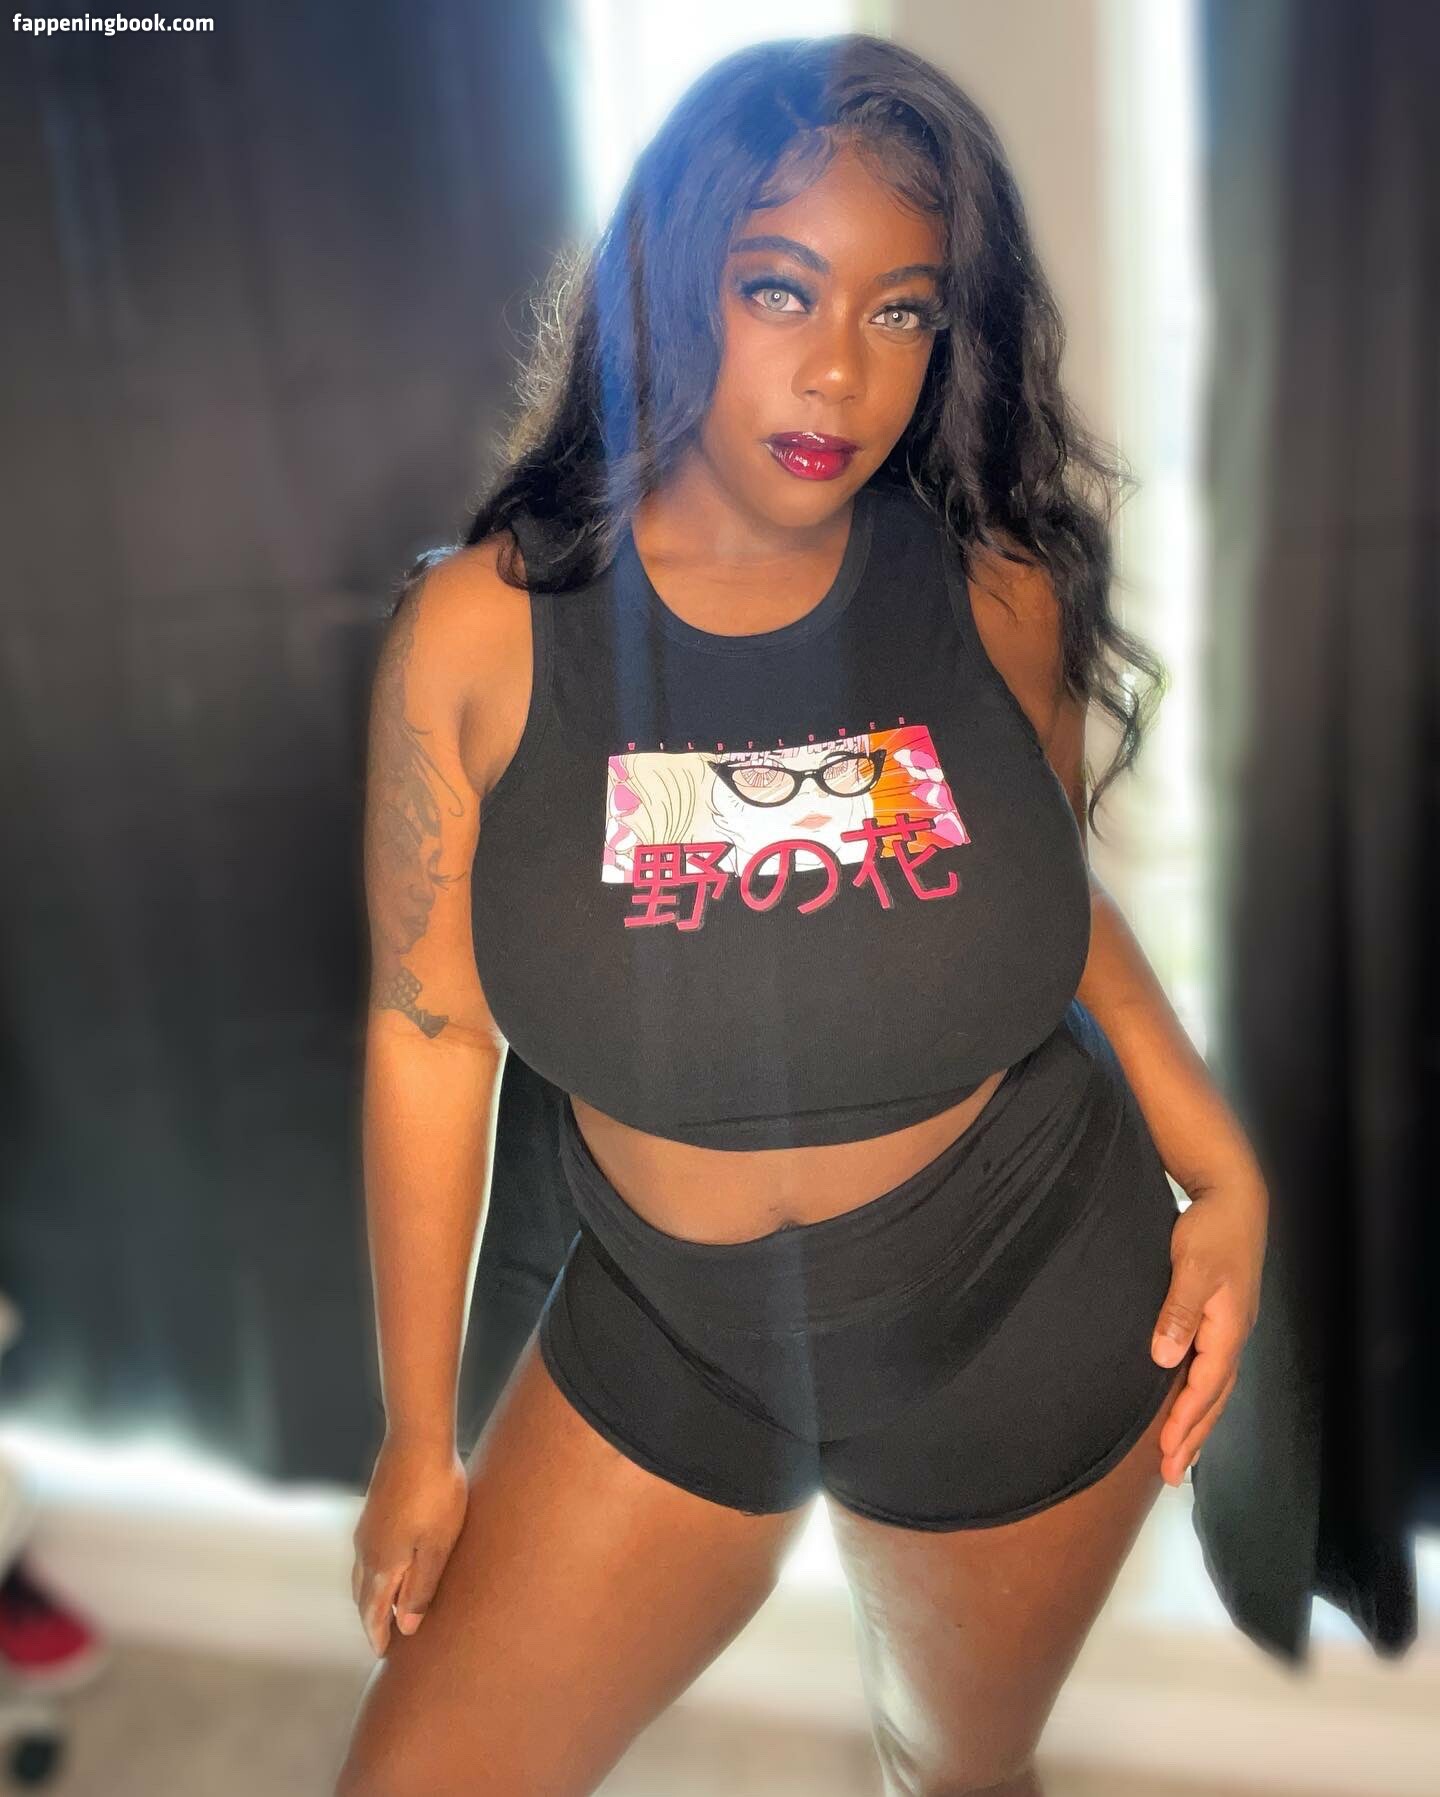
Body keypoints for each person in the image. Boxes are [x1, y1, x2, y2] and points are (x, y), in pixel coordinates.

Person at [336, 32, 1268, 1797]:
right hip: (672, 1324)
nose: (841, 369)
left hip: (1024, 1297)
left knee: (948, 1770)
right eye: (780, 287)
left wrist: (1222, 1165)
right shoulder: (482, 629)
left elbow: (1046, 901)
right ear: (675, 282)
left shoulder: (995, 589)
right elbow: (429, 1026)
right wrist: (416, 1434)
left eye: (901, 311)